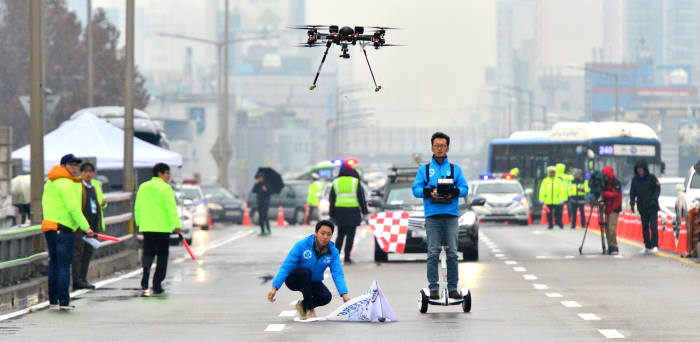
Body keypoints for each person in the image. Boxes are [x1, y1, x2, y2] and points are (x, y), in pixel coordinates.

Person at [412, 132, 469, 300]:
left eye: (442, 146)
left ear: (448, 148)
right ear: (432, 147)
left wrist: (454, 192)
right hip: (433, 215)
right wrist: (428, 191)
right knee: (432, 253)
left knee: (452, 252)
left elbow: (465, 188)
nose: (439, 149)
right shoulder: (424, 169)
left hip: (451, 215)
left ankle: (452, 287)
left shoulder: (454, 169)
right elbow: (415, 189)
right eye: (436, 145)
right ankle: (434, 287)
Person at [41, 154, 95, 310]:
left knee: (54, 265)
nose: (75, 168)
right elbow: (73, 208)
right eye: (71, 165)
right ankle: (64, 301)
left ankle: (53, 300)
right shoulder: (65, 183)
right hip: (64, 229)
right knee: (64, 266)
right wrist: (86, 227)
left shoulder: (50, 182)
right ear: (63, 166)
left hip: (50, 228)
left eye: (76, 165)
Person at [267, 220, 350, 319]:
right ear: (316, 233)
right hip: (294, 279)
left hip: (312, 281)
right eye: (322, 233)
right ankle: (310, 309)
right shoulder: (302, 245)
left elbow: (337, 274)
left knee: (326, 297)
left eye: (329, 234)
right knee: (305, 272)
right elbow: (286, 267)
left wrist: (344, 294)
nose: (325, 237)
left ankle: (303, 305)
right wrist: (274, 288)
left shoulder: (333, 252)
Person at [134, 163, 182, 294]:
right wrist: (176, 225)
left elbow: (137, 205)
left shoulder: (143, 187)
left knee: (148, 253)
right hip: (162, 227)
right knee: (162, 255)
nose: (168, 176)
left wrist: (139, 222)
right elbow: (171, 208)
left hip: (147, 226)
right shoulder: (166, 188)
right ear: (160, 174)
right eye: (167, 173)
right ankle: (157, 283)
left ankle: (145, 277)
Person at [71, 162, 107, 290]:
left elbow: (100, 202)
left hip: (93, 223)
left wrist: (103, 203)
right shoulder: (77, 185)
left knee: (88, 252)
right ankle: (77, 280)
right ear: (81, 173)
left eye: (90, 171)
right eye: (85, 171)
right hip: (81, 225)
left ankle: (83, 278)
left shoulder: (95, 186)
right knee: (78, 253)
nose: (88, 174)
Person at [329, 163, 368, 264]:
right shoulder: (355, 182)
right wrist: (365, 212)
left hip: (340, 212)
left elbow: (332, 199)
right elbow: (361, 198)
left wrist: (331, 214)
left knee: (340, 235)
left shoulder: (336, 182)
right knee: (351, 236)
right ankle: (347, 257)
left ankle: (335, 258)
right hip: (353, 212)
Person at [629, 160, 660, 253]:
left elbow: (657, 189)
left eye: (641, 169)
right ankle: (647, 245)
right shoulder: (635, 180)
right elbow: (632, 193)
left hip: (652, 206)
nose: (639, 171)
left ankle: (655, 245)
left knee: (653, 226)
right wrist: (632, 204)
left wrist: (654, 199)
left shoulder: (652, 178)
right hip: (642, 207)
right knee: (645, 227)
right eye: (638, 169)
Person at [601, 166, 622, 255]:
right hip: (606, 208)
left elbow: (615, 195)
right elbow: (600, 198)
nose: (605, 177)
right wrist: (601, 202)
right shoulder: (603, 183)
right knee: (607, 228)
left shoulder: (615, 182)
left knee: (611, 228)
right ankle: (610, 246)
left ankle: (614, 247)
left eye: (606, 175)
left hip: (614, 208)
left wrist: (604, 193)